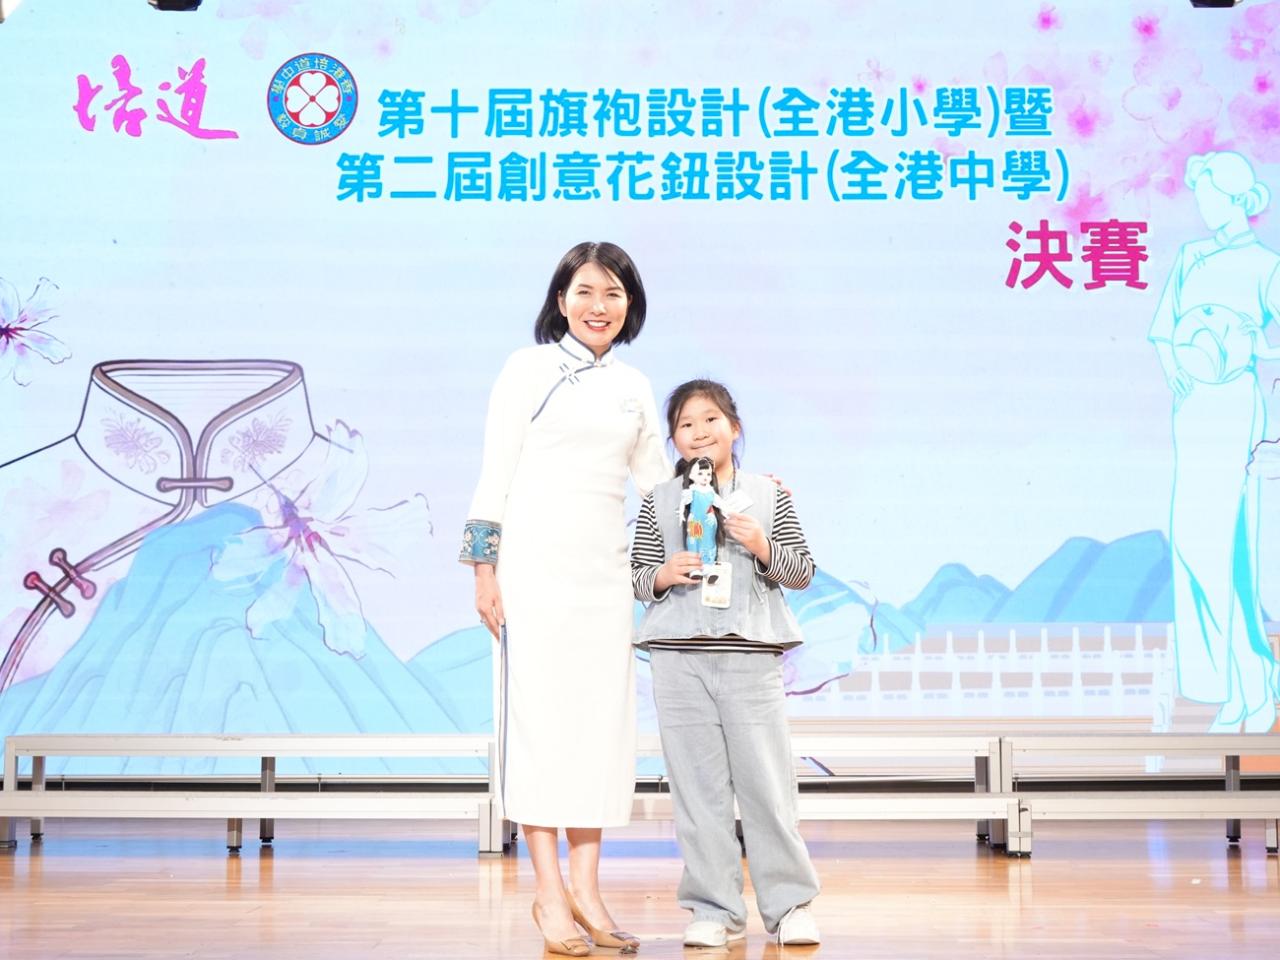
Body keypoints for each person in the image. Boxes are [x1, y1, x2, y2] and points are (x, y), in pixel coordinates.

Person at [460, 242, 669, 956]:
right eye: (585, 292)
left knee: (599, 731)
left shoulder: (635, 386)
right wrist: (484, 572)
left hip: (605, 580)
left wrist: (734, 489)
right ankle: (548, 894)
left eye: (614, 294)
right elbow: (495, 472)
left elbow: (658, 487)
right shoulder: (527, 369)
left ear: (630, 306)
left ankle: (587, 889)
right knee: (542, 730)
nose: (598, 307)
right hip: (534, 576)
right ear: (560, 300)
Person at [629, 378, 822, 947]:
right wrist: (662, 575)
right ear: (673, 441)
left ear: (734, 428)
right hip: (679, 657)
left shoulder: (769, 494)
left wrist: (761, 545)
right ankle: (713, 909)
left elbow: (802, 571)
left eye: (710, 420)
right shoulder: (658, 500)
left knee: (767, 787)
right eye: (685, 425)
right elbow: (637, 576)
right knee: (697, 792)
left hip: (748, 655)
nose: (699, 432)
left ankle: (789, 907)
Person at [1149, 151, 1280, 734]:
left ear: (1233, 198)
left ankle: (1248, 688)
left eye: (1207, 195)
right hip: (1193, 405)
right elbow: (1162, 329)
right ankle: (1248, 684)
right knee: (1194, 542)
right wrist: (1174, 366)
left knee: (1225, 545)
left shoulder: (1266, 266)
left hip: (1234, 403)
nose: (1201, 206)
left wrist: (1256, 347)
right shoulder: (1191, 256)